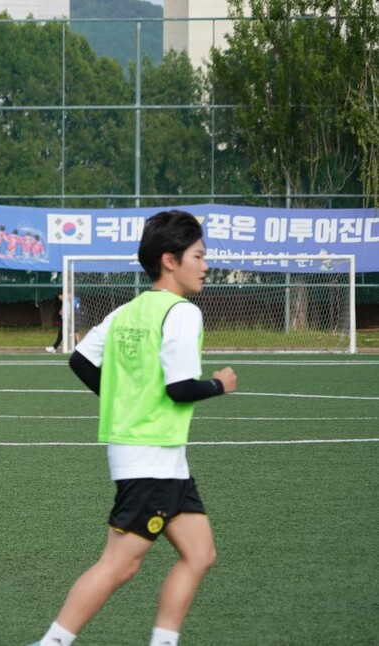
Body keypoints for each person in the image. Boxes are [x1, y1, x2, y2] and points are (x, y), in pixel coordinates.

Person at [30, 210, 238, 646]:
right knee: (120, 564)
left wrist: (123, 401)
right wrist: (220, 384)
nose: (205, 265)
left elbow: (80, 360)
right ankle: (52, 643)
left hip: (162, 458)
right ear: (170, 260)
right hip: (151, 456)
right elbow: (180, 388)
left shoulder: (127, 311)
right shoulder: (181, 313)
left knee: (200, 554)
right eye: (198, 256)